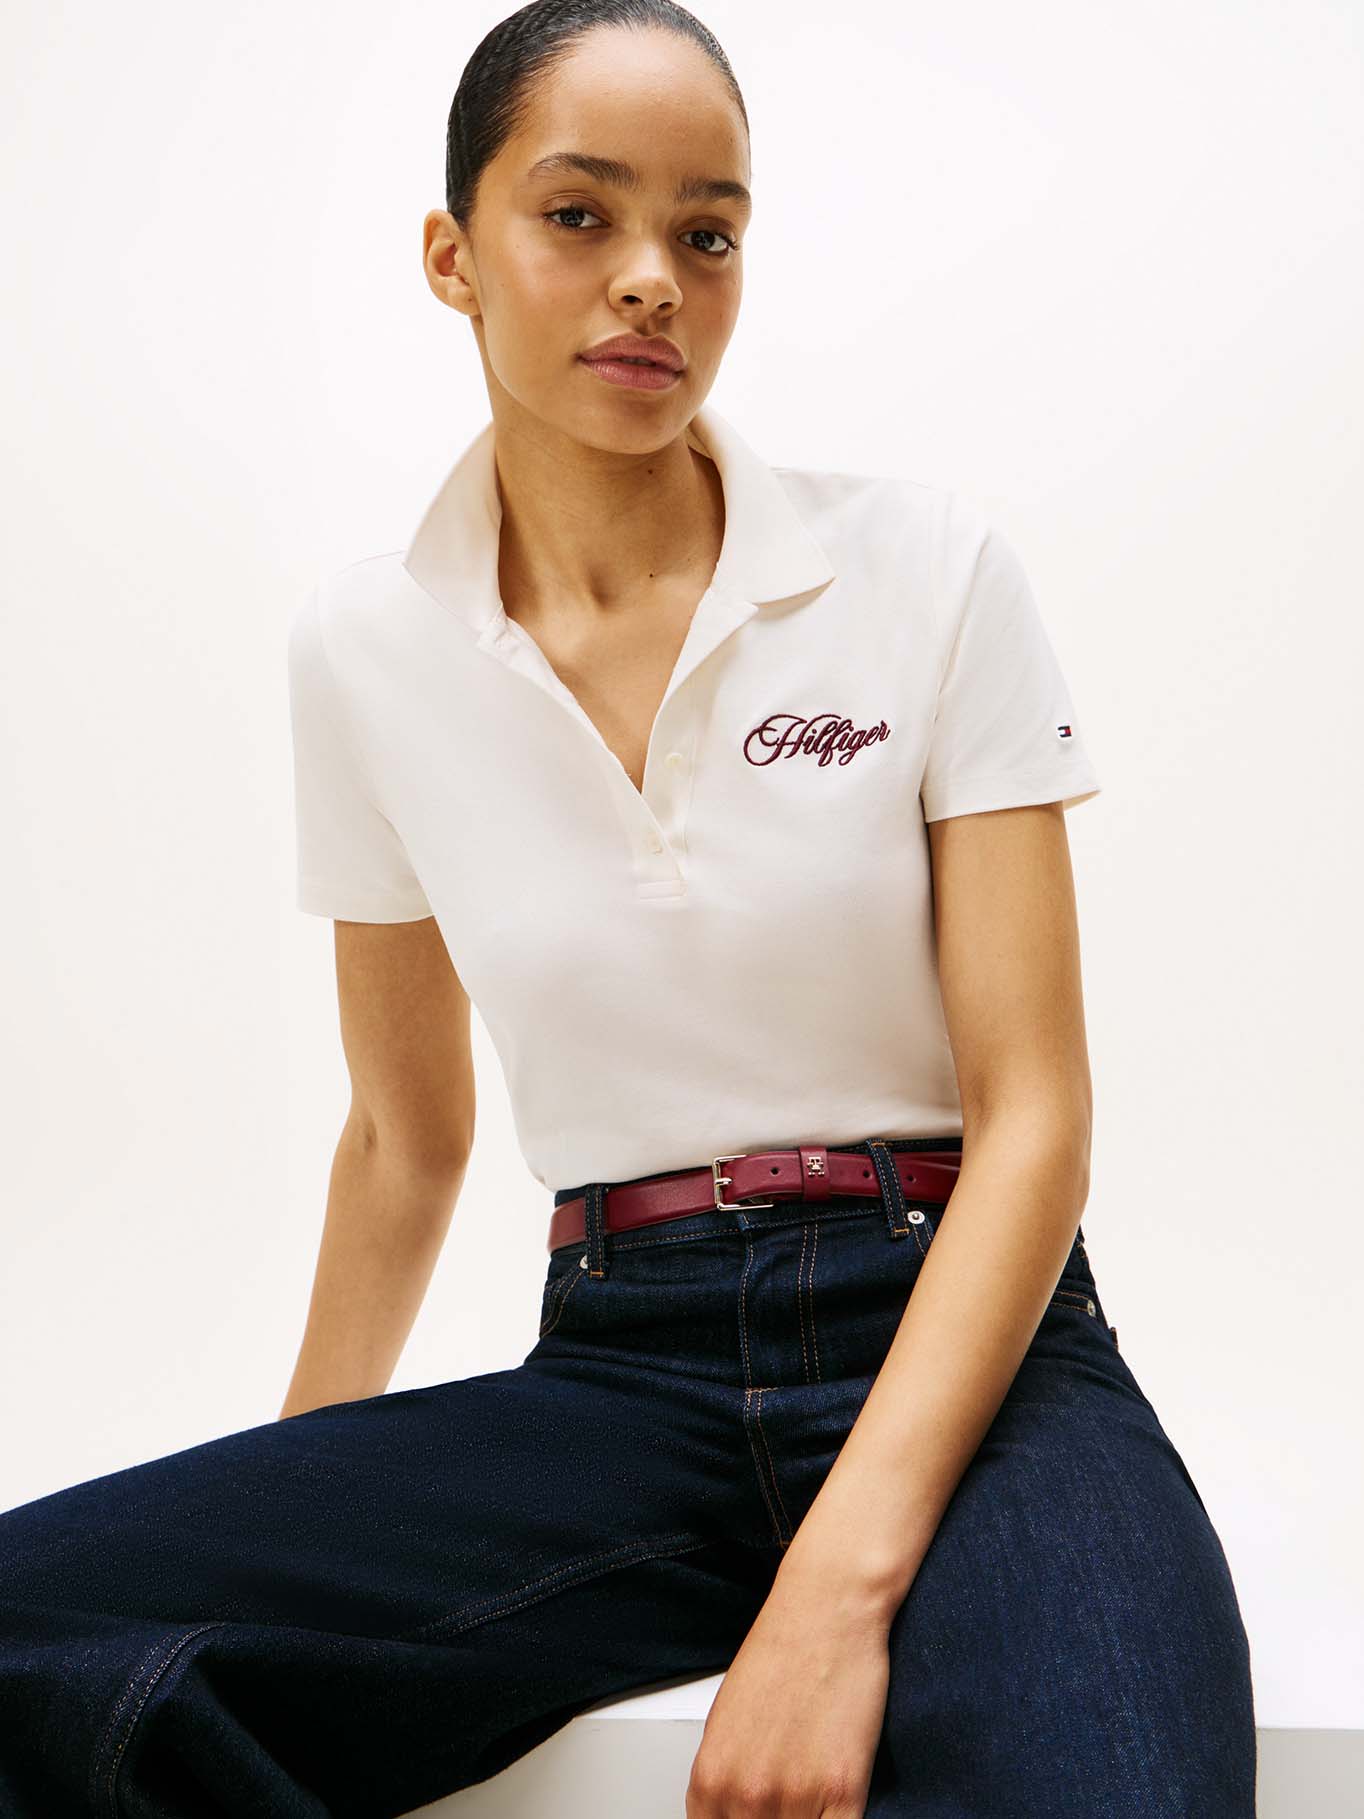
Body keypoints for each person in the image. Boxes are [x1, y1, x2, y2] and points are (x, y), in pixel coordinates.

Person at [0, 1, 1258, 1814]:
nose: (653, 277)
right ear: (453, 256)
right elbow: (404, 1138)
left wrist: (833, 1597)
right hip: (627, 1368)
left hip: (977, 1357)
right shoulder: (369, 648)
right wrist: (296, 1504)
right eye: (579, 215)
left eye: (707, 232)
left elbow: (1037, 1116)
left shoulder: (924, 571)